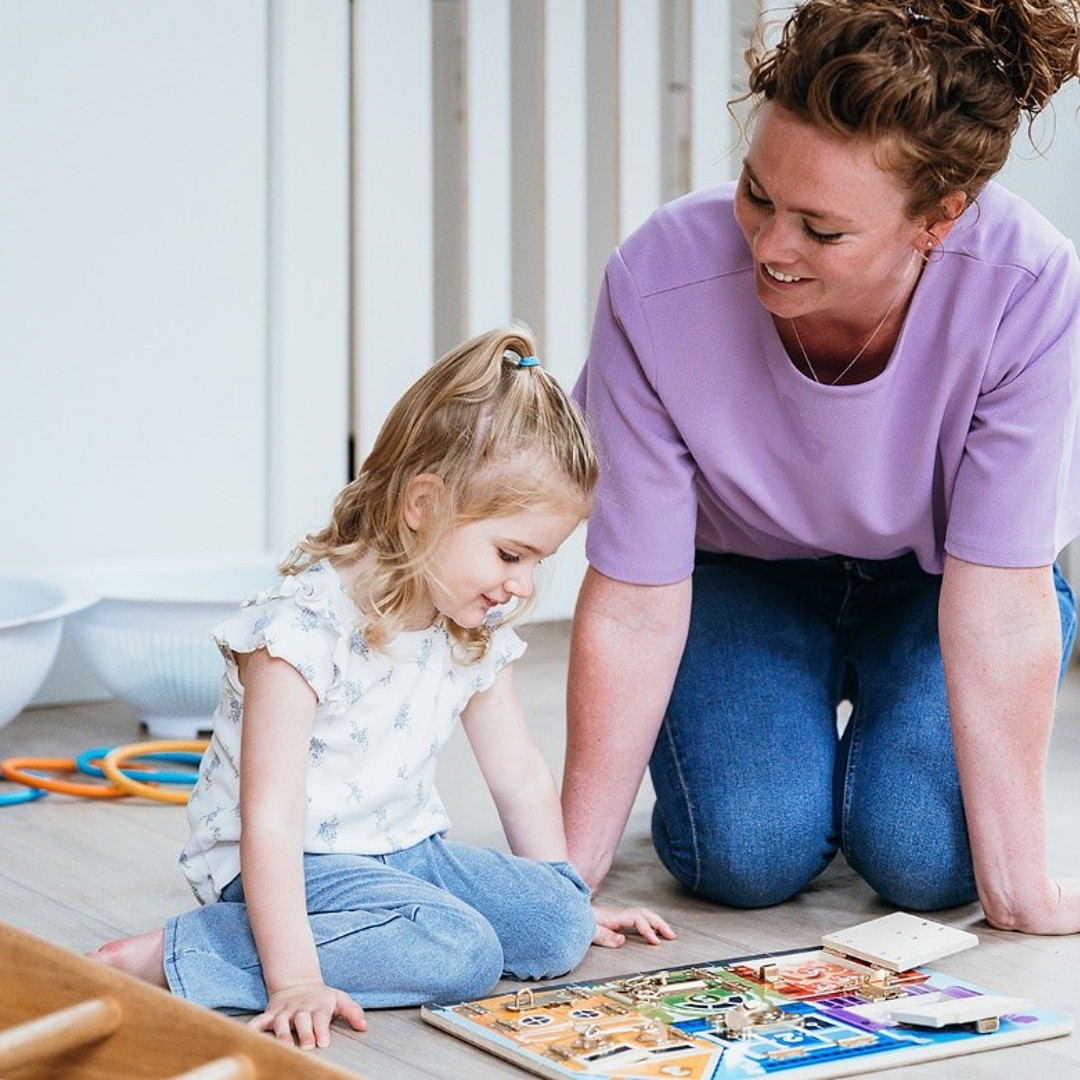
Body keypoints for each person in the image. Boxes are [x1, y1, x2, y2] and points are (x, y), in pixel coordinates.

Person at [562, 0, 1080, 936]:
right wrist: (563, 880)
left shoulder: (1028, 287)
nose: (769, 246)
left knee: (925, 862)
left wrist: (1021, 891)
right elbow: (635, 597)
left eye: (821, 229)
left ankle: (871, 776)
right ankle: (799, 764)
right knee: (746, 854)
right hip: (742, 578)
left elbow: (1002, 603)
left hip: (942, 586)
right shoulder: (658, 279)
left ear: (940, 218)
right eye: (757, 193)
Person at [91, 326, 673, 1049]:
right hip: (290, 861)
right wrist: (295, 978)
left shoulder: (471, 626)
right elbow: (269, 819)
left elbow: (519, 773)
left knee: (558, 923)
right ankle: (183, 952)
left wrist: (565, 891)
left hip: (405, 849)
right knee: (462, 952)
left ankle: (397, 920)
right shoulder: (302, 630)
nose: (521, 587)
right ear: (422, 504)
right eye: (510, 554)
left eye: (537, 562)